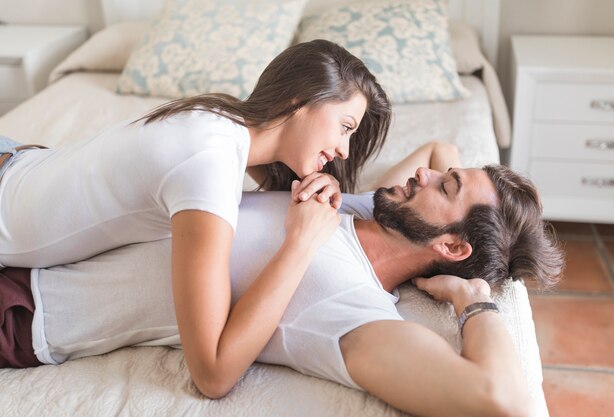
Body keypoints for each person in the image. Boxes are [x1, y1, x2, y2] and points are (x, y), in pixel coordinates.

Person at [1, 142, 564, 417]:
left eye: (445, 187)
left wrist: (475, 299)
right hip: (41, 197)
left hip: (31, 294)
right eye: (443, 177)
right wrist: (453, 192)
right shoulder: (365, 209)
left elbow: (505, 401)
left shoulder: (359, 315)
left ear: (450, 247)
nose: (426, 172)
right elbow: (440, 146)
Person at [0, 39, 392, 396]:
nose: (343, 149)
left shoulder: (220, 120)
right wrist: (302, 243)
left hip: (18, 162)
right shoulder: (209, 165)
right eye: (345, 128)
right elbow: (213, 374)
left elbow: (269, 190)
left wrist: (318, 183)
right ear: (299, 100)